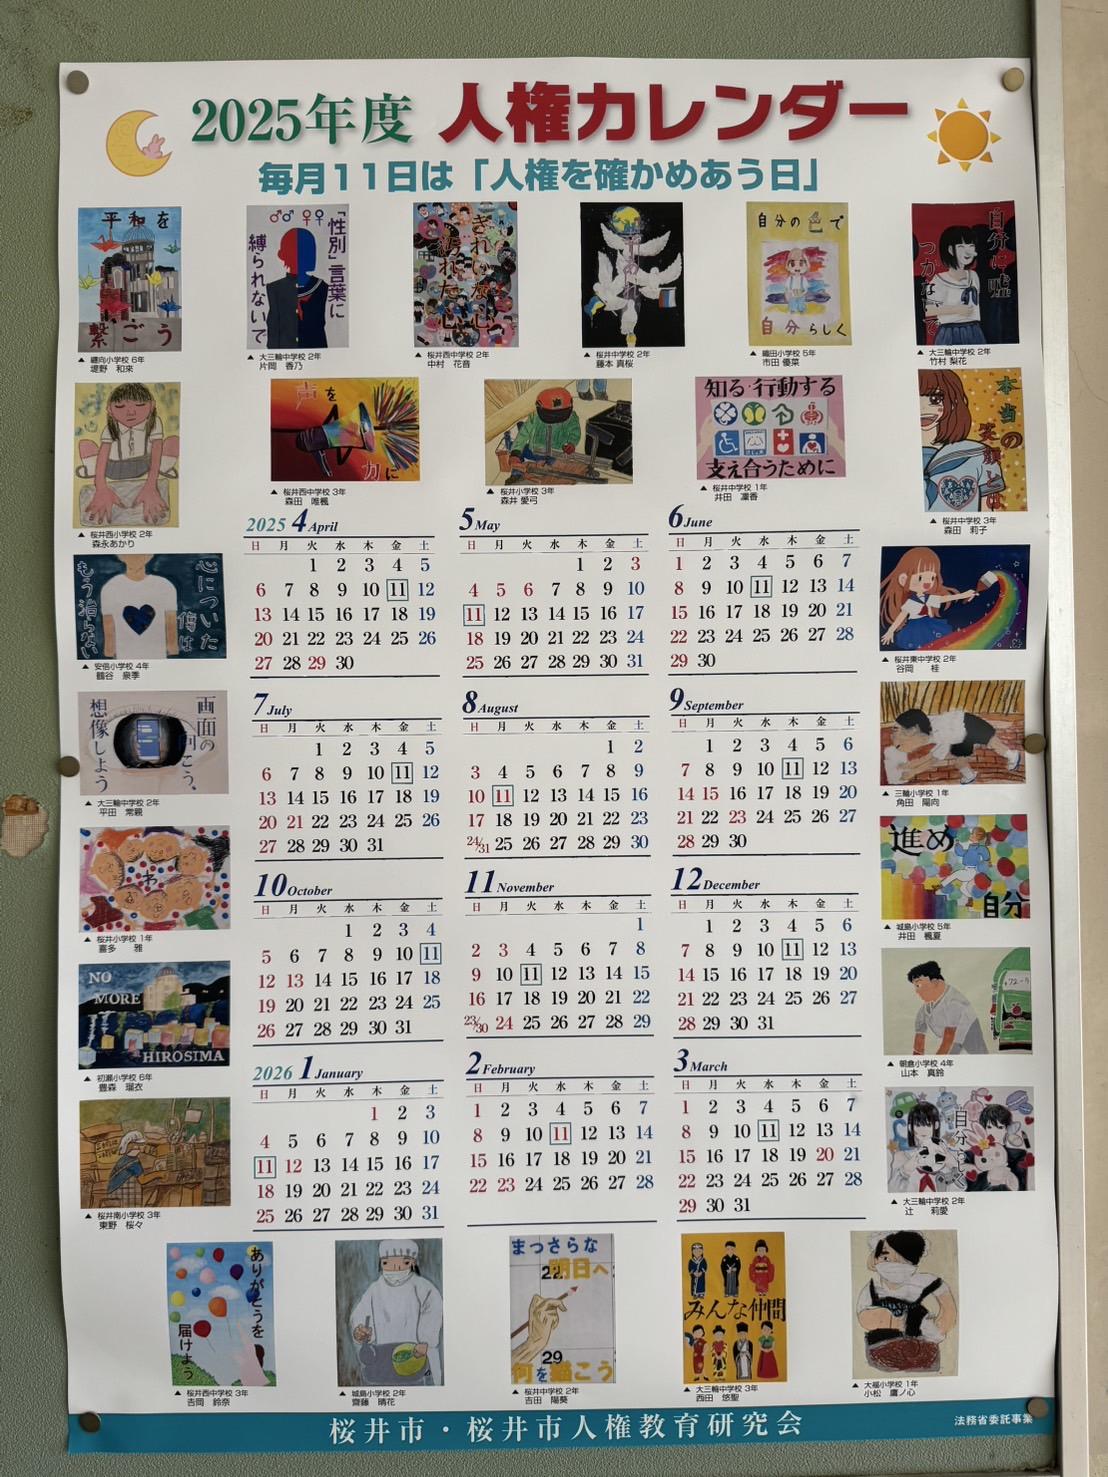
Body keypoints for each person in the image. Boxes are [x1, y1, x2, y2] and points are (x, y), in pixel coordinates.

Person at [76, 384, 178, 526]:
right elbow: (103, 455)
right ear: (109, 410)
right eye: (120, 407)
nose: (130, 412)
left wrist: (151, 486)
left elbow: (156, 449)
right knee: (85, 445)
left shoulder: (154, 423)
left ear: (152, 405)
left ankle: (163, 466)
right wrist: (101, 488)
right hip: (113, 468)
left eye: (140, 405)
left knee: (173, 442)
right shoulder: (111, 428)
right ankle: (92, 469)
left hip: (143, 465)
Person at [856, 1232, 957, 1373]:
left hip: (923, 1353)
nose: (894, 1265)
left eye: (904, 1260)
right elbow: (863, 1317)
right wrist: (893, 1321)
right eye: (886, 1257)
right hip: (880, 1354)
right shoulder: (873, 1288)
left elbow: (948, 1309)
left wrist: (937, 1329)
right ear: (875, 1259)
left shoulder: (925, 1282)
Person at [348, 1239, 443, 1385]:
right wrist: (360, 1331)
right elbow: (361, 1314)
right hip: (382, 1355)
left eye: (403, 1263)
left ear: (412, 1263)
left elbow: (433, 1311)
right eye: (387, 1263)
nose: (394, 1268)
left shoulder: (423, 1287)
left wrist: (426, 1341)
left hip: (415, 1354)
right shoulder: (374, 1290)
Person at [919, 369, 1005, 512]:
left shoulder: (978, 455)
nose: (922, 408)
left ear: (954, 402)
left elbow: (991, 512)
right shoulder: (895, 455)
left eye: (934, 399)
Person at [885, 705, 1021, 785]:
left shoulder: (938, 733)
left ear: (914, 729)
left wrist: (913, 771)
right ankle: (970, 776)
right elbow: (933, 755)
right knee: (960, 762)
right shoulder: (925, 727)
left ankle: (1013, 755)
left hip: (969, 723)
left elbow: (934, 758)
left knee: (992, 742)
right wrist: (910, 766)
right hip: (959, 736)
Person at [880, 548, 976, 650]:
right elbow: (901, 616)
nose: (927, 582)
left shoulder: (927, 597)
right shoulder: (911, 602)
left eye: (932, 578)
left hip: (929, 623)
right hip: (916, 626)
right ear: (903, 579)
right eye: (920, 578)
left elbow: (944, 599)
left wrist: (963, 595)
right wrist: (890, 631)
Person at [99, 554, 179, 661]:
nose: (135, 558)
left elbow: (171, 623)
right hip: (124, 657)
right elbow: (108, 624)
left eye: (140, 555)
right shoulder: (110, 587)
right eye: (131, 555)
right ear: (122, 557)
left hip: (157, 656)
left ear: (148, 557)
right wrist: (109, 652)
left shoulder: (164, 586)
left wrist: (173, 650)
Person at [908, 961, 989, 1055]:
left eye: (918, 985)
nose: (917, 991)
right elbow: (918, 1046)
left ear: (934, 982)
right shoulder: (924, 1010)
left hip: (969, 1044)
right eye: (915, 986)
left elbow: (948, 1041)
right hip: (951, 1044)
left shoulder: (954, 1003)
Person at [924, 226, 987, 346]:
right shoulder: (939, 280)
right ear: (951, 250)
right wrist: (956, 309)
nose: (968, 251)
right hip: (949, 332)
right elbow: (928, 310)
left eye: (971, 246)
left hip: (974, 331)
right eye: (961, 247)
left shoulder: (974, 276)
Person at [266, 227, 329, 349]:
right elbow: (273, 328)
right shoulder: (275, 289)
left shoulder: (321, 287)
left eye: (311, 249)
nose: (311, 255)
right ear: (284, 255)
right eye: (301, 251)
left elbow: (319, 327)